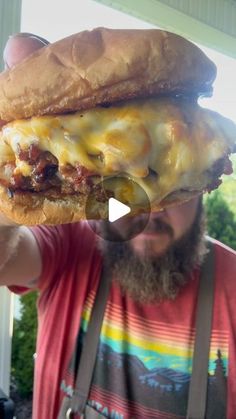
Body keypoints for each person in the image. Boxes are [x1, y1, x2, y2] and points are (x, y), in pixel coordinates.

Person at [0, 33, 236, 419]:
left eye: (160, 176)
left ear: (198, 180)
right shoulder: (70, 248)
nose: (148, 210)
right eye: (124, 187)